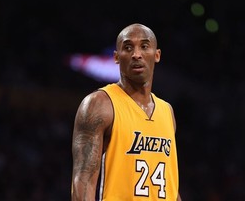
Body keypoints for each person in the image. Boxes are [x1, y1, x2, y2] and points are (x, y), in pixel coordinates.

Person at [71, 23, 182, 201]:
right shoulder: (99, 104)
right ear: (116, 57)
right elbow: (83, 181)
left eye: (144, 46)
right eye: (128, 47)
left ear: (157, 55)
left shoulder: (167, 111)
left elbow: (171, 186)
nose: (136, 54)